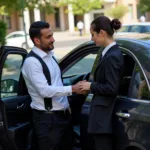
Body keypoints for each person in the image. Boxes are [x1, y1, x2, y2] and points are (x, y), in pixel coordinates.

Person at [22, 21, 82, 150]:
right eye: (48, 37)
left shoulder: (50, 55)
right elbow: (45, 91)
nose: (53, 39)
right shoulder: (32, 62)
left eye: (52, 35)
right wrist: (73, 89)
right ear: (37, 40)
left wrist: (66, 105)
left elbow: (57, 83)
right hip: (47, 120)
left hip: (64, 116)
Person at [79, 16, 124, 150]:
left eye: (93, 34)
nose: (91, 38)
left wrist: (90, 86)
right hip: (102, 119)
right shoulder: (108, 53)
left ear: (102, 33)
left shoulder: (112, 56)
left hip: (104, 119)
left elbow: (111, 87)